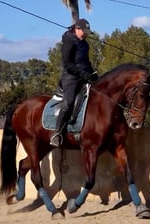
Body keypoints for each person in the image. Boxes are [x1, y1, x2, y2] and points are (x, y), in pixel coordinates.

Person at [50, 18, 98, 147]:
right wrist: (82, 74)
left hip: (84, 77)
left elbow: (86, 62)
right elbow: (67, 64)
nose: (86, 34)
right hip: (70, 78)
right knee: (69, 102)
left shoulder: (85, 44)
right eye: (84, 32)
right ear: (77, 29)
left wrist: (93, 74)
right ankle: (57, 132)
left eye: (87, 32)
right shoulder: (68, 41)